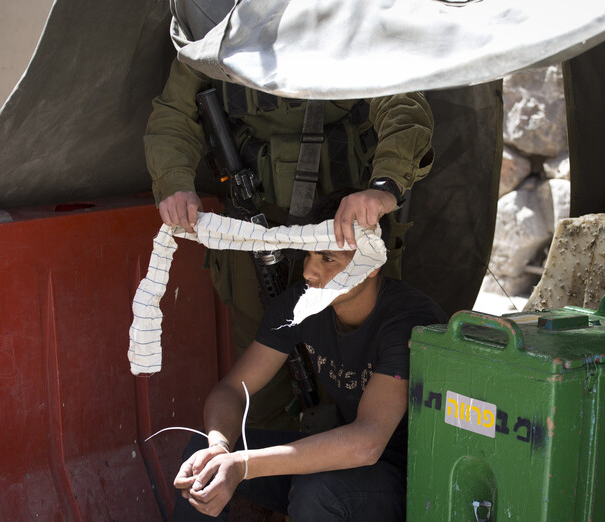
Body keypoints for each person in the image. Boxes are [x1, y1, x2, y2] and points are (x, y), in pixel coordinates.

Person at [144, 0, 435, 431]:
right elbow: (173, 114)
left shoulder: (348, 19)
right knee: (263, 361)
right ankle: (266, 474)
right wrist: (174, 183)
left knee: (366, 352)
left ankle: (364, 475)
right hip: (253, 220)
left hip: (343, 222)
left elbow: (404, 107)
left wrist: (384, 186)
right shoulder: (214, 24)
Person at [168, 191, 448, 522]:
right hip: (342, 466)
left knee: (317, 491)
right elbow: (232, 389)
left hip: (410, 487)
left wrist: (242, 465)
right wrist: (220, 447)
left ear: (372, 264)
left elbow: (368, 442)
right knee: (201, 454)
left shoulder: (408, 319)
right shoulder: (302, 303)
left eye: (328, 258)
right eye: (310, 253)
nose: (311, 271)